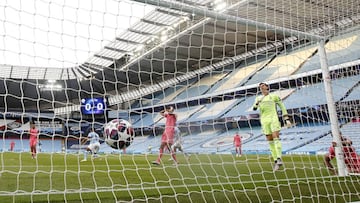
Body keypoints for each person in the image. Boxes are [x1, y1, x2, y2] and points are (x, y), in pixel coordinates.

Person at [252, 82, 291, 171]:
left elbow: (282, 107)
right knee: (270, 141)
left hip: (273, 119)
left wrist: (286, 119)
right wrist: (257, 103)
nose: (261, 86)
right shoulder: (258, 98)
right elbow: (254, 108)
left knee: (275, 137)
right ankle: (276, 161)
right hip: (264, 121)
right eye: (260, 86)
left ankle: (279, 158)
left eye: (263, 85)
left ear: (267, 87)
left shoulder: (274, 96)